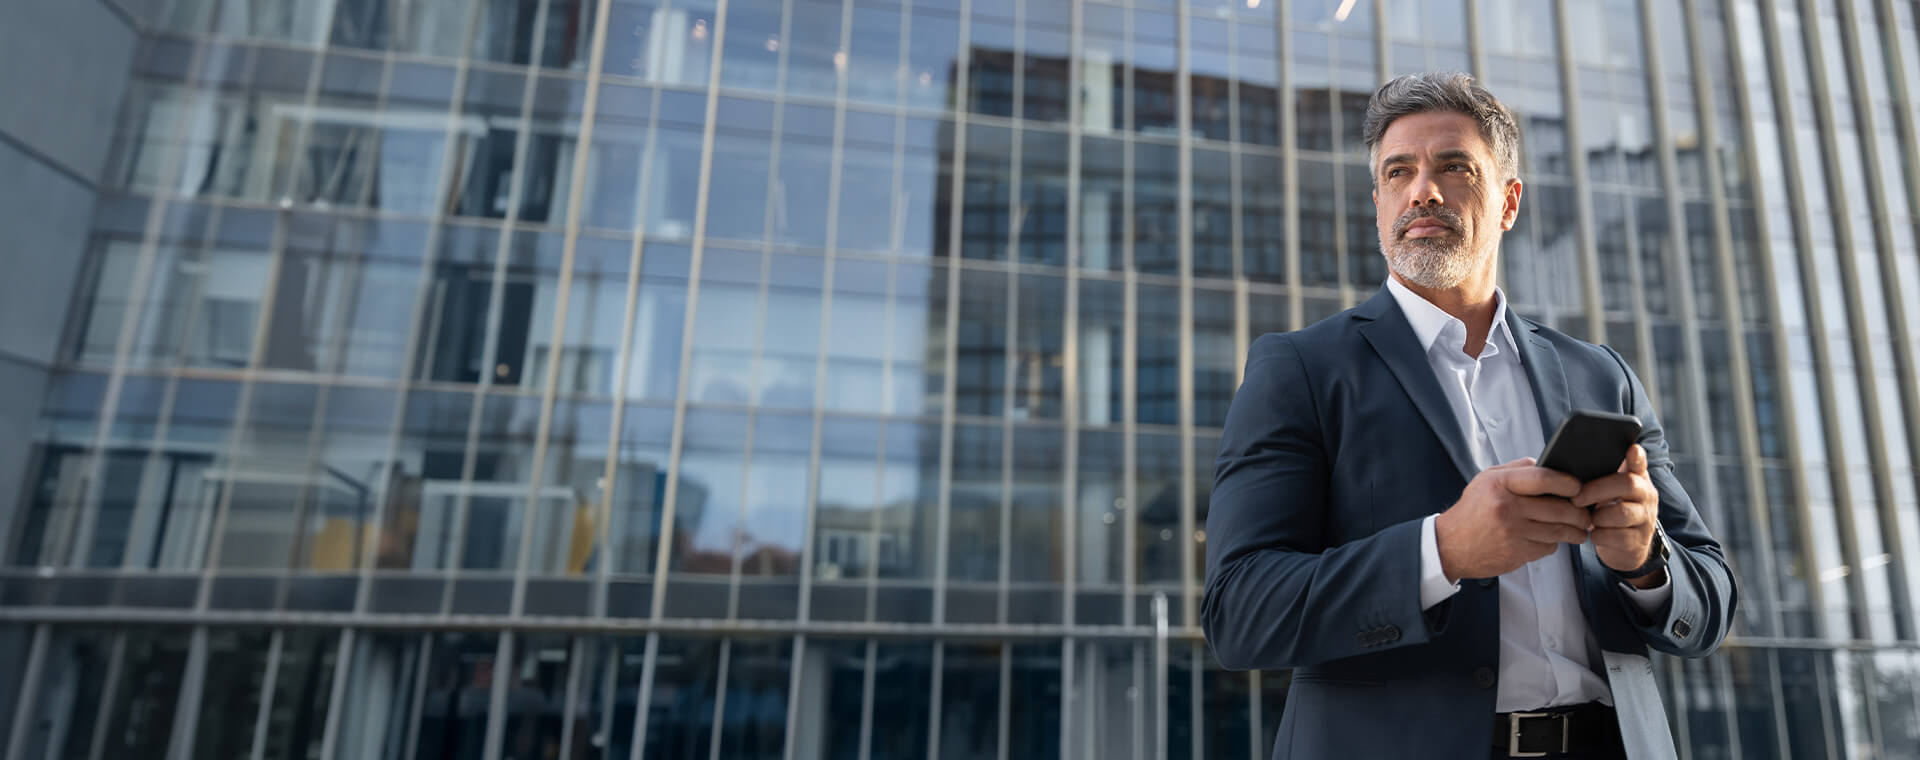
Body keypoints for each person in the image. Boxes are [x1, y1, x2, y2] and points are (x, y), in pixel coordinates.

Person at [1202, 72, 1737, 760]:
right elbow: (1240, 612)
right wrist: (1444, 550)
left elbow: (1711, 600)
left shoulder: (1601, 375)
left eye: (1454, 167)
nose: (1422, 190)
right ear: (1378, 204)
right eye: (1399, 172)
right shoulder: (1301, 369)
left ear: (1509, 202)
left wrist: (1644, 562)